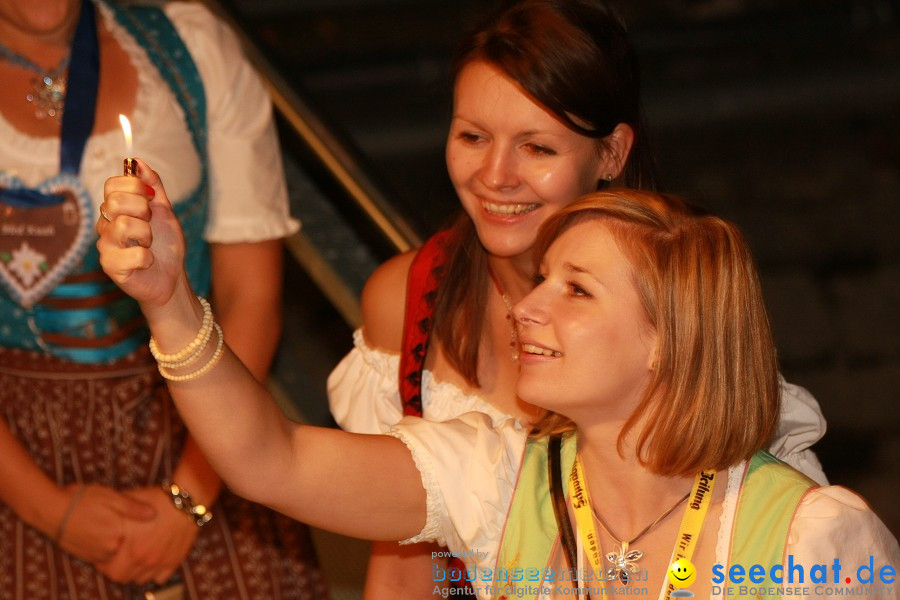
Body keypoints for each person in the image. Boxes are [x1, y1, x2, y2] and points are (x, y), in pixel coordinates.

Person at [95, 177, 899, 600]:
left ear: (668, 342)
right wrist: (169, 300)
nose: (531, 306)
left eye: (576, 291)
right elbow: (273, 460)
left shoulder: (814, 540)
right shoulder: (502, 474)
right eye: (541, 279)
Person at [325, 1, 828, 596]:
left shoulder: (679, 303)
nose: (495, 175)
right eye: (472, 136)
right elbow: (404, 551)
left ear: (611, 154)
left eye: (537, 148)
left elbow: (769, 541)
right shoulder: (405, 297)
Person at [0, 1, 326, 598]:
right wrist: (47, 509)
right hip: (16, 444)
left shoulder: (190, 47)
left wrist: (192, 496)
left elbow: (250, 294)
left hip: (200, 412)